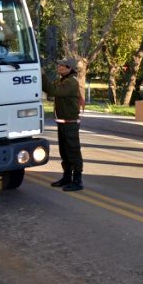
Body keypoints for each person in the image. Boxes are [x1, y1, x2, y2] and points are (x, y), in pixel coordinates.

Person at [42, 57, 84, 192]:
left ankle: (77, 181)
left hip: (70, 123)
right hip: (63, 122)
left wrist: (41, 75)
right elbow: (51, 88)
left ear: (69, 68)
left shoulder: (71, 82)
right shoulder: (64, 80)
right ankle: (67, 177)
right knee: (65, 152)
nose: (59, 67)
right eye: (59, 65)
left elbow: (53, 90)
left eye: (62, 66)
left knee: (73, 152)